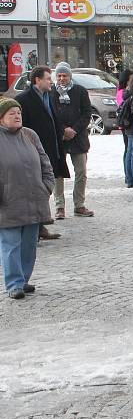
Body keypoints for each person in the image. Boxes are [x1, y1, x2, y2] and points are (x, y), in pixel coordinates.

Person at [0, 98, 55, 299]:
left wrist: (46, 186)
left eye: (18, 113)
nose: (17, 116)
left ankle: (23, 279)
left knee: (29, 245)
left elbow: (45, 162)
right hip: (8, 202)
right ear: (1, 118)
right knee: (11, 244)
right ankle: (14, 283)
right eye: (11, 113)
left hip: (34, 200)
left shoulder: (30, 135)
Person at [16, 65, 67, 241]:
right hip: (33, 152)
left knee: (46, 185)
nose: (50, 81)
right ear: (37, 80)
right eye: (47, 78)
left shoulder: (49, 96)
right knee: (36, 189)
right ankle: (35, 226)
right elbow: (20, 127)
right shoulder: (24, 99)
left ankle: (40, 224)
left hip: (51, 149)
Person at [51, 62, 94, 219]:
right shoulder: (51, 92)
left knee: (81, 172)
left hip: (78, 138)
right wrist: (62, 130)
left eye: (65, 75)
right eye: (59, 76)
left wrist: (74, 130)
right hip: (59, 139)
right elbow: (51, 115)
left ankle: (79, 205)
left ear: (70, 76)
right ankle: (59, 206)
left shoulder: (80, 91)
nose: (62, 78)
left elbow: (87, 113)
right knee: (58, 174)